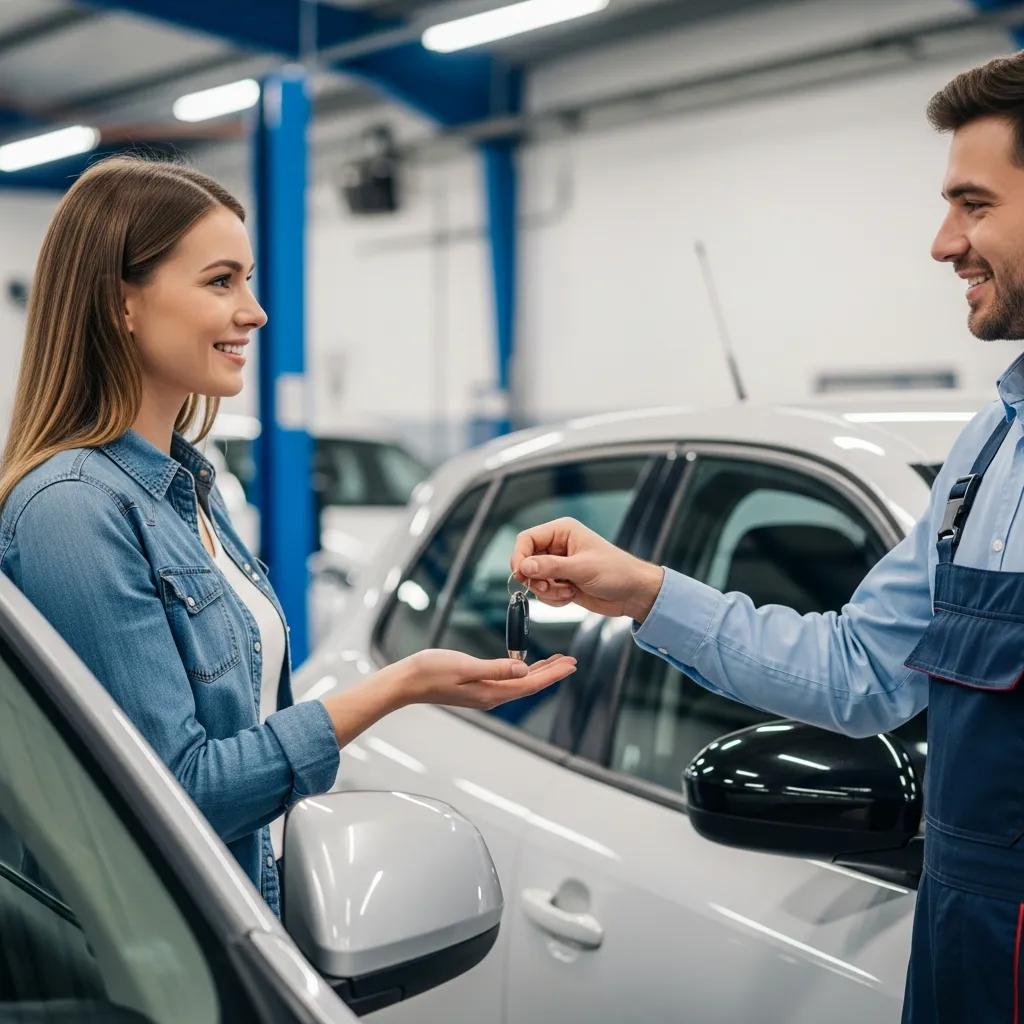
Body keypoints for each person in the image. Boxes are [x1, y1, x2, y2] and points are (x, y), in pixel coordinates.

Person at [511, 52, 1024, 1024]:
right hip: (959, 955)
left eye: (972, 204)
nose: (940, 242)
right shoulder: (986, 452)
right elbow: (854, 669)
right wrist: (640, 591)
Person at [0, 156, 576, 918]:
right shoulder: (73, 510)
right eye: (220, 281)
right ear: (121, 303)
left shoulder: (187, 490)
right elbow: (174, 800)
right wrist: (396, 687)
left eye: (248, 279)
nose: (256, 311)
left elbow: (245, 725)